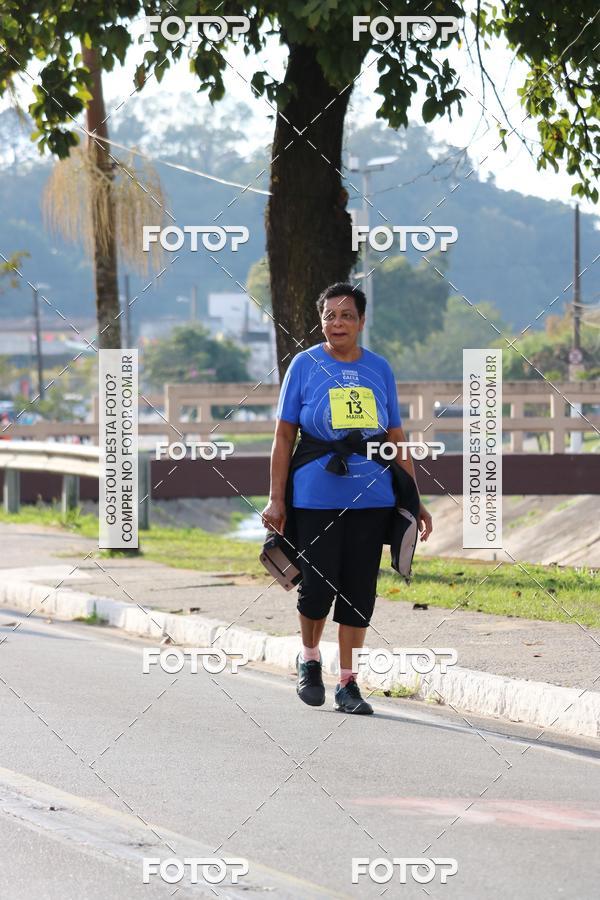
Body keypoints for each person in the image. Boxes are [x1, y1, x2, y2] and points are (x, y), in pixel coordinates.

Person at [261, 283, 433, 715]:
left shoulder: (379, 369)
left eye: (346, 315)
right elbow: (284, 437)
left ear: (360, 321)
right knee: (317, 589)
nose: (337, 323)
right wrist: (275, 500)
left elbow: (394, 437)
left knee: (359, 592)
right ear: (321, 321)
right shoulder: (304, 365)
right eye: (330, 316)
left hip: (372, 496)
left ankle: (348, 682)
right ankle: (310, 658)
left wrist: (414, 498)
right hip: (315, 496)